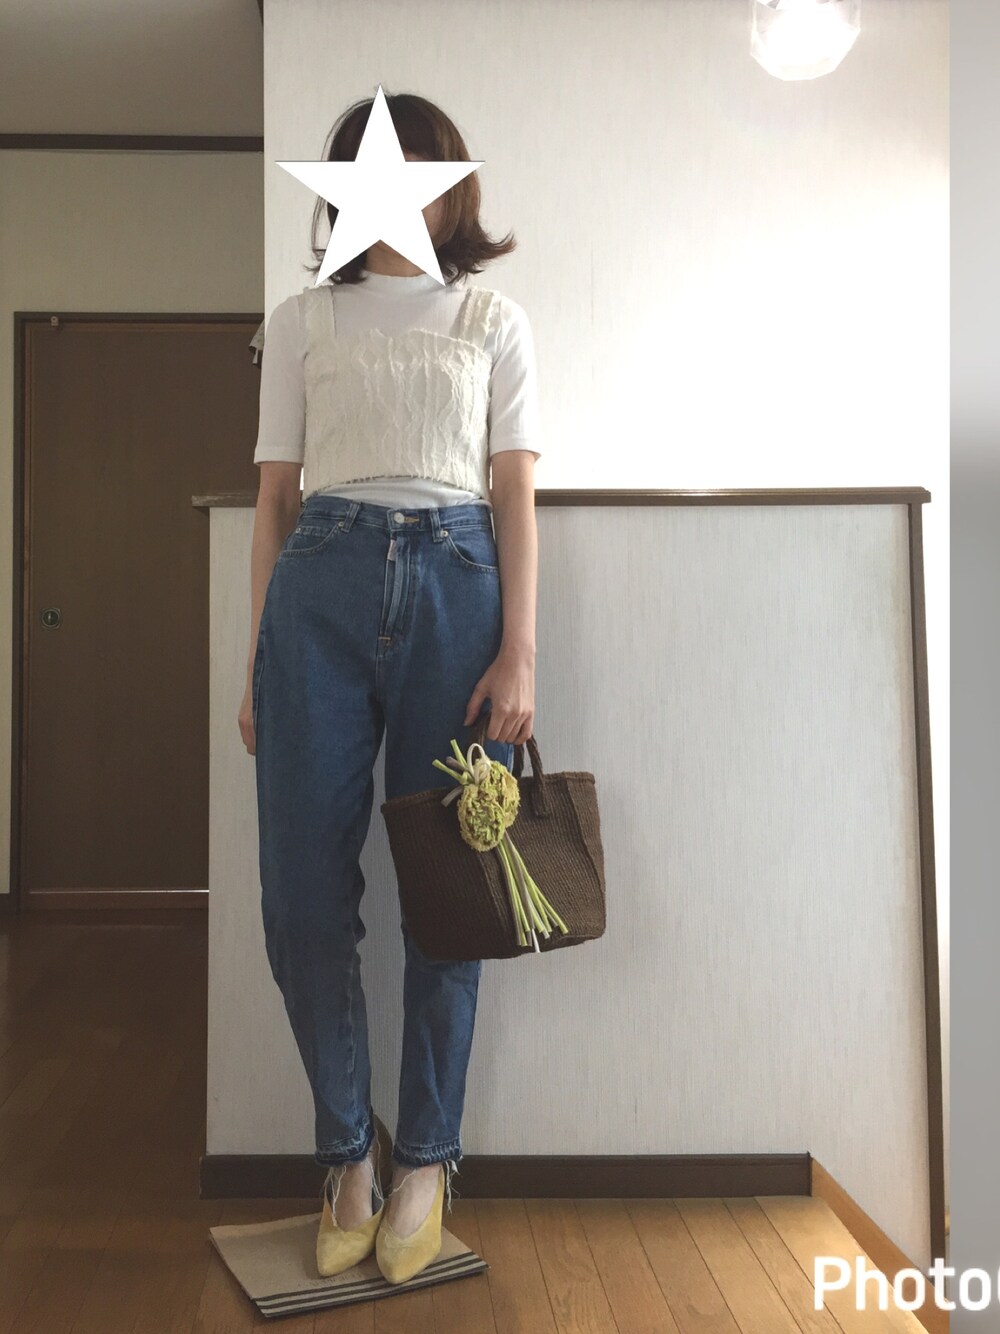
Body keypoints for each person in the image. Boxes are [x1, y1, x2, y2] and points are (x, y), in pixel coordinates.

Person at [238, 91, 541, 1285]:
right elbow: (272, 501)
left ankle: (426, 1158)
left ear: (450, 188)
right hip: (317, 589)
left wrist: (519, 651)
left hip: (460, 591)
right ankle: (346, 1155)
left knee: (449, 893)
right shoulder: (301, 319)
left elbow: (514, 496)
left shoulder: (491, 319)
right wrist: (258, 657)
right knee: (301, 897)